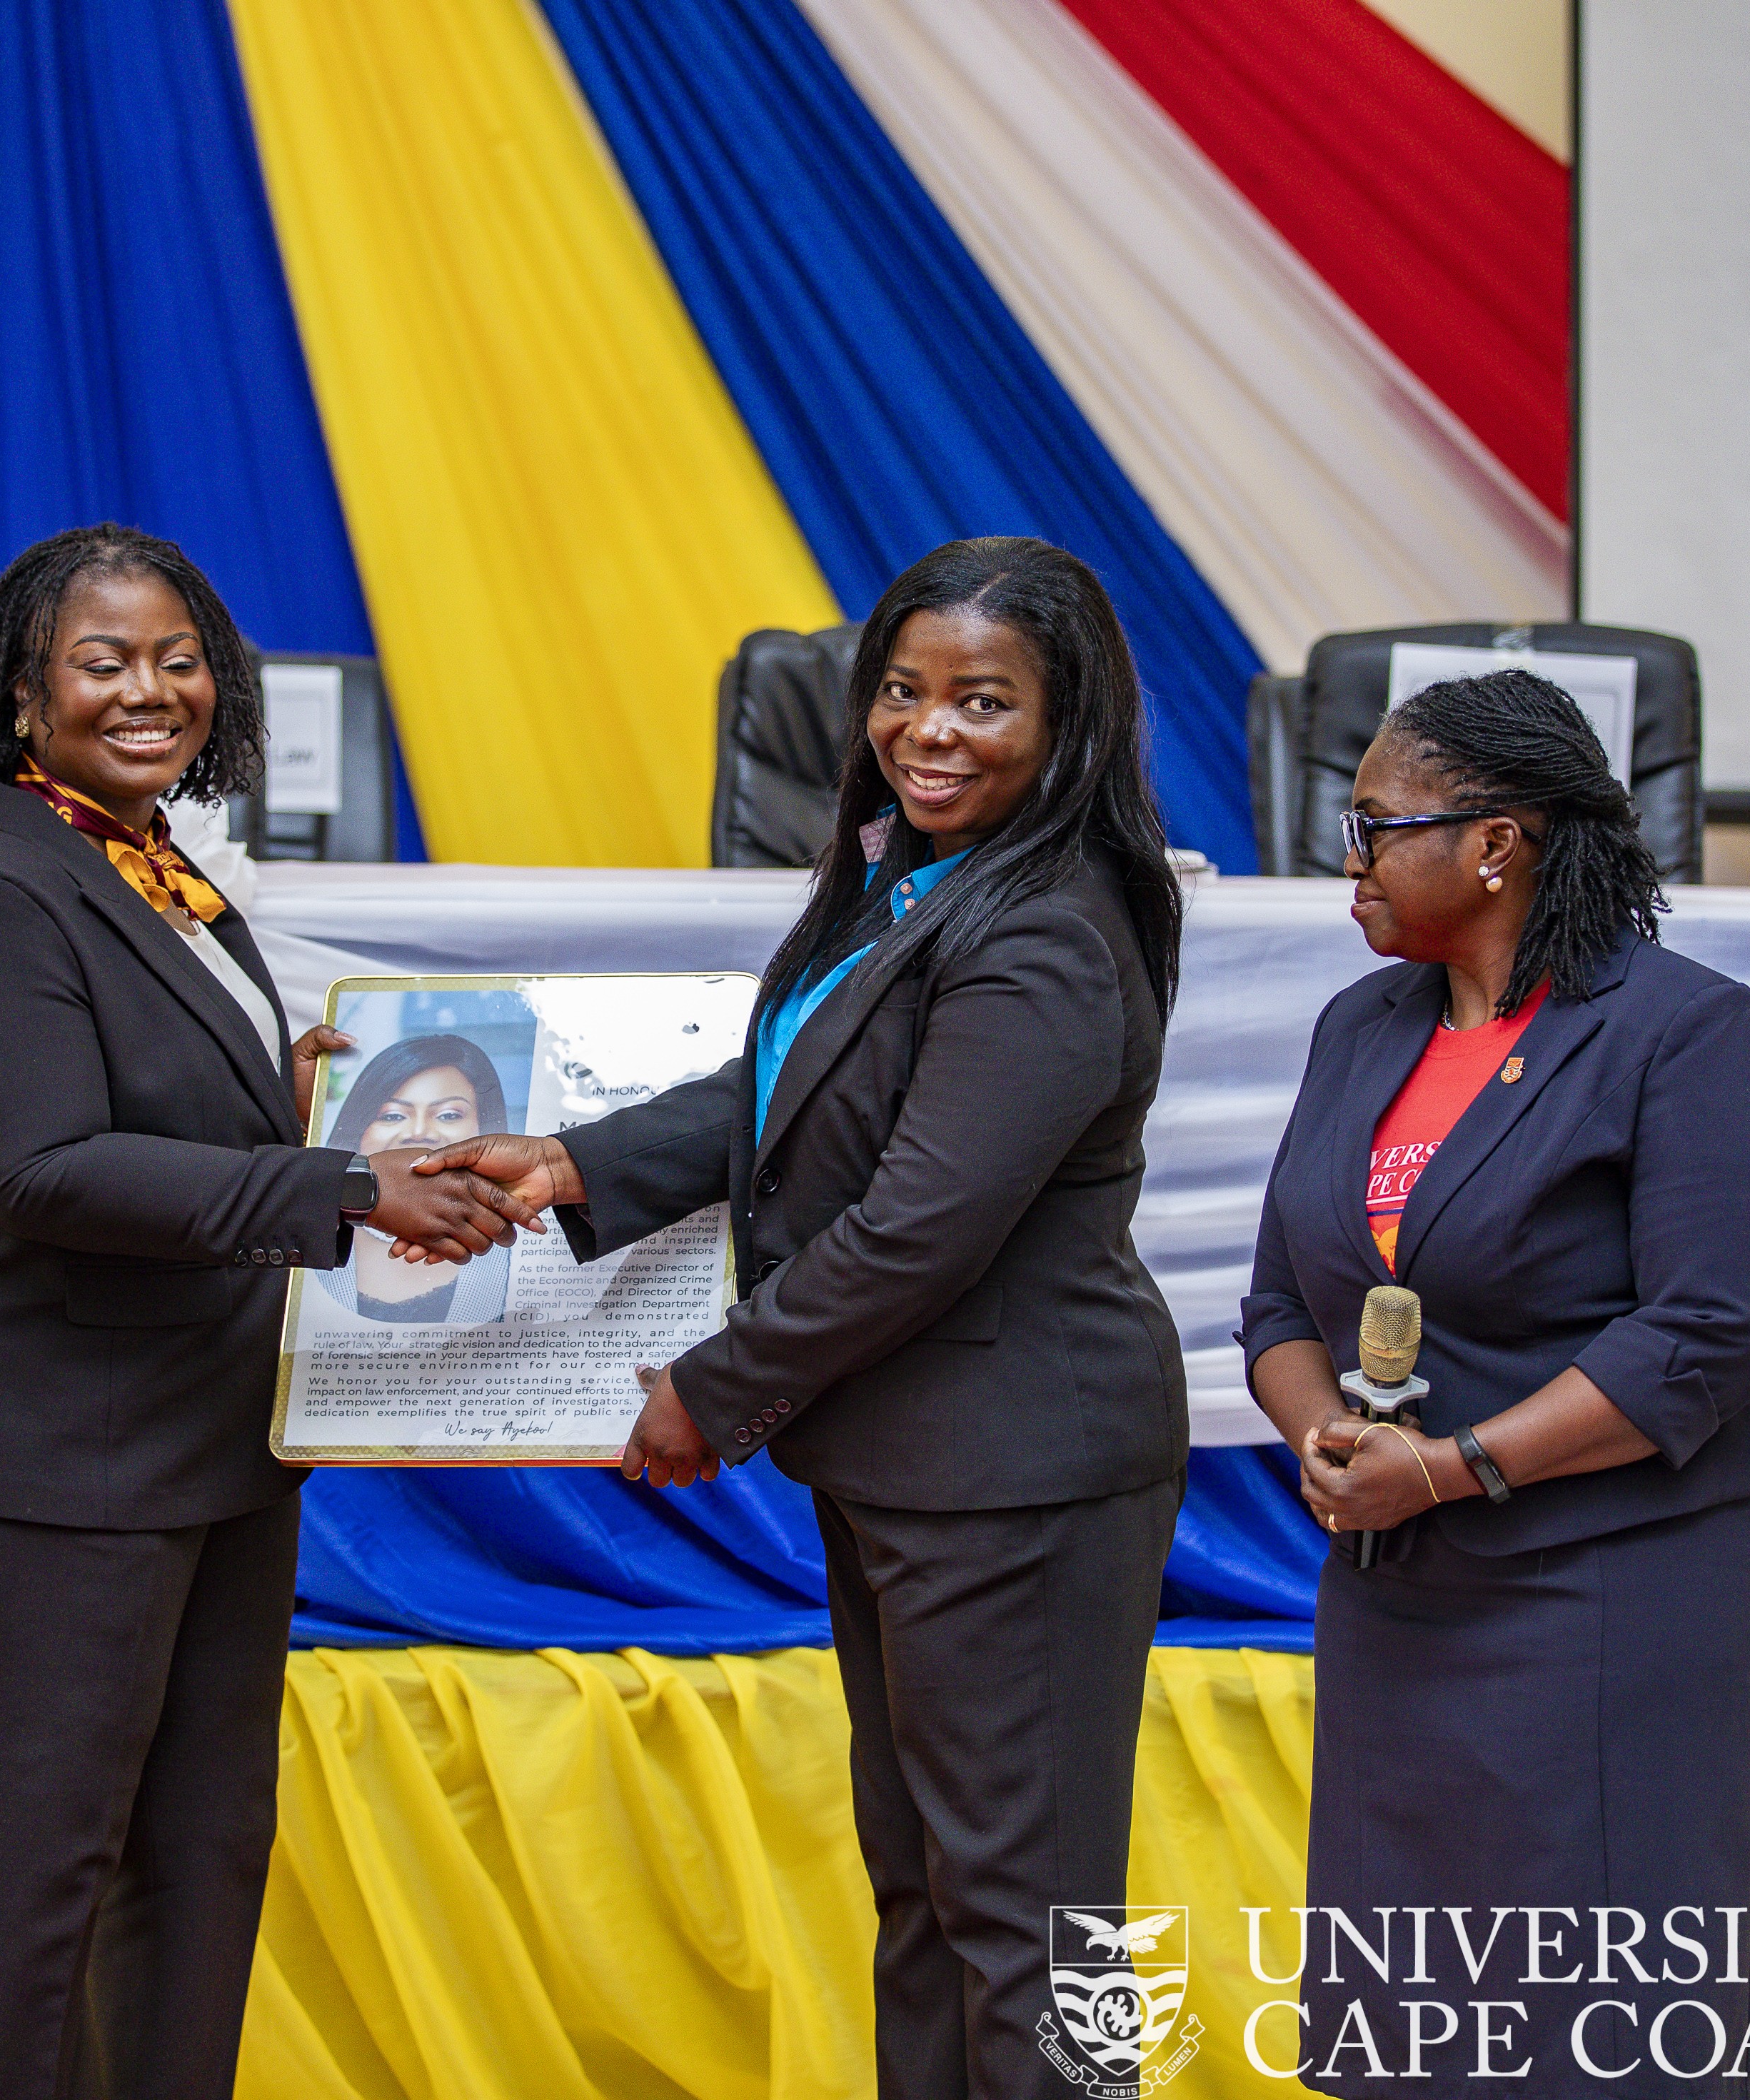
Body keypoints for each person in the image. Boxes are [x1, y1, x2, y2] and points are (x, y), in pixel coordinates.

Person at [426, 536, 1190, 2099]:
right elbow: (794, 1090)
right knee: (928, 1893)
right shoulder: (916, 876)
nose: (928, 730)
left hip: (1018, 1475)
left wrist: (714, 1390)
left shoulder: (1044, 926)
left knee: (1031, 1929)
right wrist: (574, 1161)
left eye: (982, 700)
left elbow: (917, 1227)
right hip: (917, 1461)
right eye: (902, 690)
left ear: (1069, 722)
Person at [0, 523, 532, 2099]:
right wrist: (340, 1188)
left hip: (209, 1446)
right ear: (24, 698)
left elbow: (147, 1107)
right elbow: (45, 1170)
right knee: (33, 1879)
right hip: (47, 1458)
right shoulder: (0, 892)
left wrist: (283, 1107)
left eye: (176, 659)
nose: (148, 690)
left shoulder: (156, 867)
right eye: (103, 662)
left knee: (199, 1860)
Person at [1241, 670, 1750, 2094]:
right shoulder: (1359, 1028)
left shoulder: (1677, 1027)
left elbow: (1711, 1327)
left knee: (1599, 2025)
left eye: (1374, 826)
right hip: (1398, 1592)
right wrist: (1326, 1442)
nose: (1348, 858)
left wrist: (1452, 1466)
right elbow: (1278, 1303)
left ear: (1494, 843)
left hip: (1615, 1587)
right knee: (1408, 2016)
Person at [315, 1032, 514, 1324]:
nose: (419, 1132)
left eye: (448, 1115)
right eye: (393, 1116)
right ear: (358, 1131)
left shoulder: (522, 1247)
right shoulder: (308, 1231)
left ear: (485, 1128)